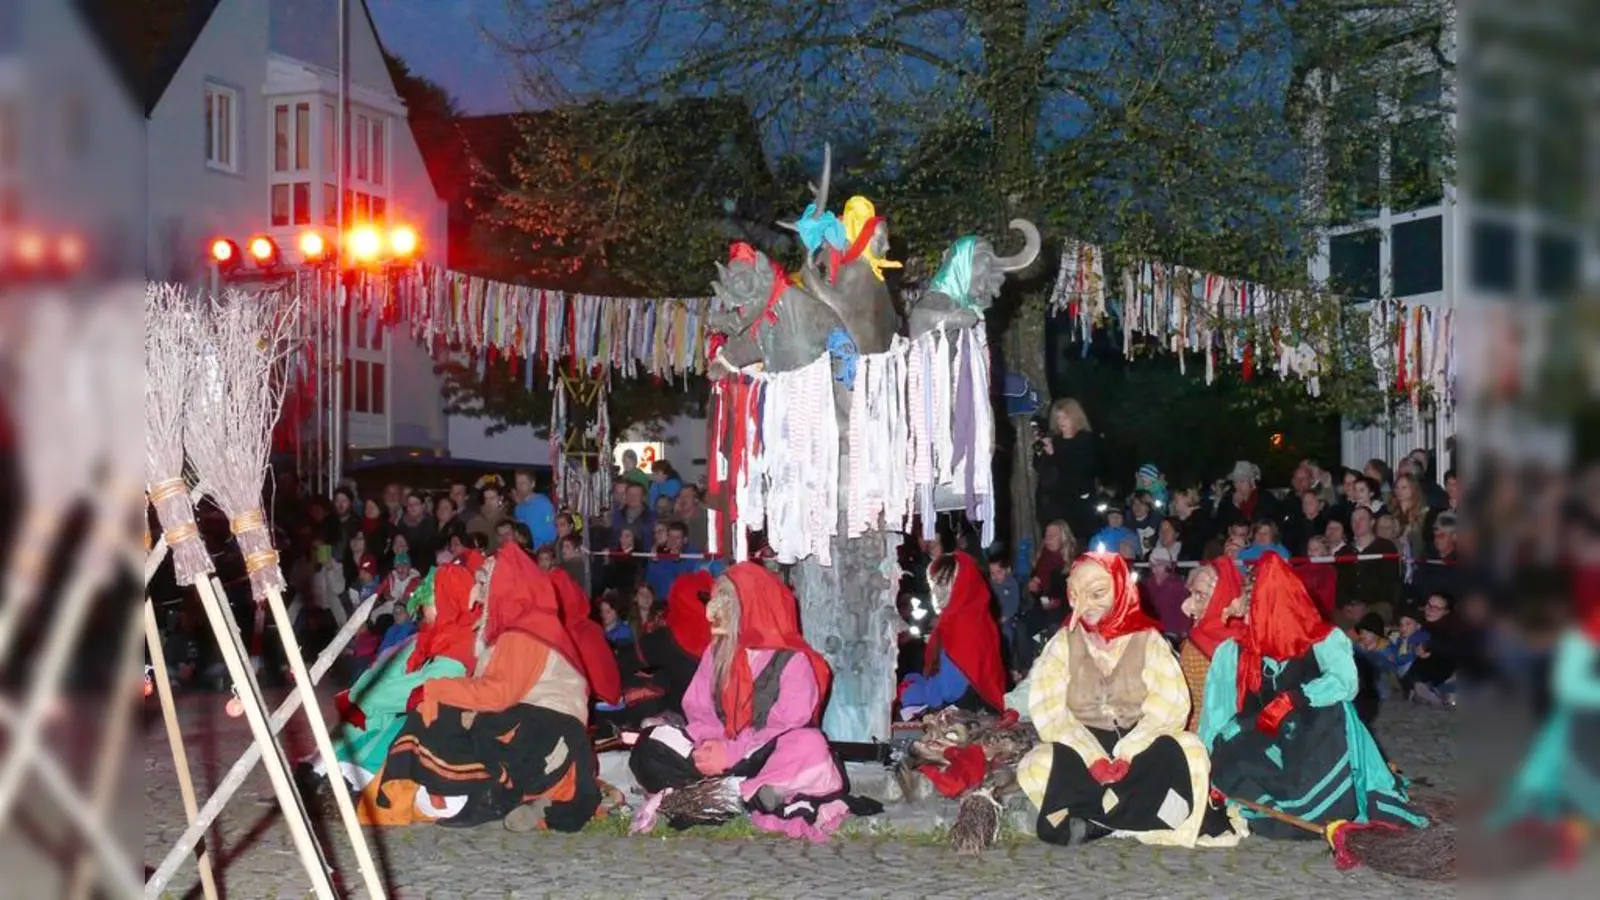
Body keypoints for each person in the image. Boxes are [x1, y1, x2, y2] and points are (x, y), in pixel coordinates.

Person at [357, 543, 602, 832]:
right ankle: (405, 798)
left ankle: (492, 796)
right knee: (443, 712)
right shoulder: (509, 631)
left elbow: (497, 694)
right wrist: (438, 693)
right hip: (527, 720)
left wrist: (436, 690)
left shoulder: (526, 631)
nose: (479, 588)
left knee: (451, 715)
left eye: (485, 582)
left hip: (546, 732)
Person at [1016, 553, 1244, 848]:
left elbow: (1170, 705)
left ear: (1120, 589)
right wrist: (1092, 757)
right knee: (1035, 764)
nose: (1085, 605)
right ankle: (1140, 819)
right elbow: (1048, 710)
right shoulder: (1063, 642)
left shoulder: (1148, 639)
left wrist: (1129, 751)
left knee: (1192, 752)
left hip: (1141, 745)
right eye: (1076, 595)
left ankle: (1101, 820)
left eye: (1097, 593)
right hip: (1083, 746)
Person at [1199, 555, 1428, 838]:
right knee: (1228, 744)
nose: (1246, 616)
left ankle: (1326, 805)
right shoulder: (1234, 652)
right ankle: (1272, 806)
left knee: (1339, 712)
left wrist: (1296, 698)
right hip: (1264, 744)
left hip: (1312, 740)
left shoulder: (1323, 640)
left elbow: (1345, 683)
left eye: (1252, 607)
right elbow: (1216, 715)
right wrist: (1207, 761)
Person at [628, 563, 855, 840]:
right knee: (651, 743)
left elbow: (787, 727)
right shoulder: (716, 653)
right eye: (714, 598)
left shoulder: (793, 661)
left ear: (752, 605)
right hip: (720, 760)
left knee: (810, 745)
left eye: (724, 599)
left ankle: (725, 794)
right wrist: (707, 748)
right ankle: (737, 794)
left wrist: (732, 753)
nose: (712, 610)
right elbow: (701, 715)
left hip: (763, 754)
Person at [303, 560, 480, 795]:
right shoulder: (429, 635)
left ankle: (352, 781)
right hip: (402, 703)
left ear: (447, 603)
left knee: (386, 724)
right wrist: (366, 689)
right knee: (363, 714)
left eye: (428, 603)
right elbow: (391, 667)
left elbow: (425, 687)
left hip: (429, 715)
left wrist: (373, 695)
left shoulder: (460, 644)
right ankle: (323, 766)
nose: (422, 610)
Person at [898, 553, 1007, 713]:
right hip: (976, 704)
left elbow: (948, 692)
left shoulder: (961, 628)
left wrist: (908, 691)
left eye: (938, 585)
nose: (934, 593)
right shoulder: (975, 616)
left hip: (965, 712)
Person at [1176, 560, 1246, 731]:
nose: (1187, 606)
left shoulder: (1196, 646)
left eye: (1200, 596)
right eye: (1192, 594)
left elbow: (1192, 707)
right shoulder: (1246, 635)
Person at [1033, 398, 1098, 545]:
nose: (1061, 421)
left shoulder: (1084, 440)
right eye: (1058, 417)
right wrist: (1040, 451)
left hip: (1076, 505)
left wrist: (1054, 454)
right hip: (1052, 505)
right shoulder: (1054, 439)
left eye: (1065, 417)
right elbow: (1040, 468)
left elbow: (1079, 470)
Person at [1140, 546, 1190, 641]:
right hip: (1151, 630)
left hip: (1171, 631)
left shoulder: (1178, 585)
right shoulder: (1148, 584)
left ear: (1167, 566)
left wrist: (1185, 630)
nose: (1155, 569)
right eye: (1153, 565)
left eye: (1159, 565)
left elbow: (1186, 610)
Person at [513, 470, 558, 552]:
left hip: (541, 555)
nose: (519, 487)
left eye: (523, 483)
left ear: (533, 484)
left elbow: (552, 534)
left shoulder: (544, 504)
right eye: (517, 483)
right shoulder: (518, 509)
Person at [395, 493, 438, 574]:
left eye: (416, 504)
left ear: (423, 506)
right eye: (409, 504)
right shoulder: (401, 523)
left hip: (426, 568)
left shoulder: (431, 523)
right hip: (405, 568)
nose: (412, 507)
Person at [465, 484, 510, 551]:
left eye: (492, 498)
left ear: (500, 498)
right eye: (486, 498)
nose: (489, 502)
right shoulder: (474, 521)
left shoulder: (508, 520)